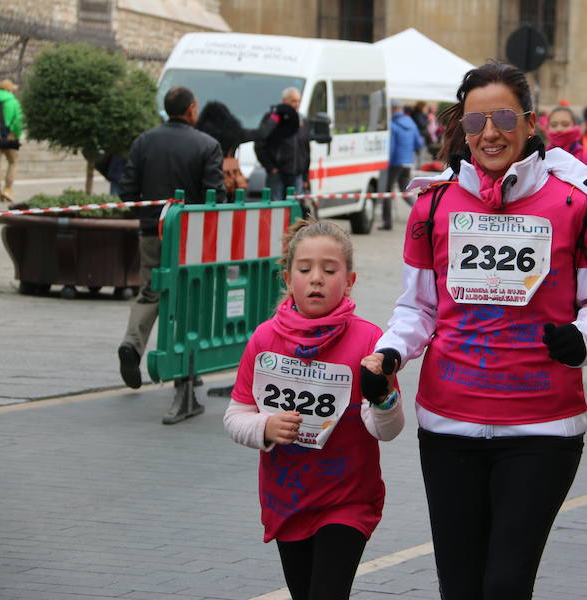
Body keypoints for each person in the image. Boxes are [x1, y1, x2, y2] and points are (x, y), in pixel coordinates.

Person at [362, 61, 587, 599]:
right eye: (476, 120)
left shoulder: (577, 203)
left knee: (506, 584)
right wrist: (391, 352)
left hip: (542, 427)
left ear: (530, 123)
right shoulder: (433, 204)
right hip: (448, 424)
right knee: (459, 587)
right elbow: (417, 309)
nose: (490, 133)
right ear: (461, 126)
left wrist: (582, 338)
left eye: (504, 117)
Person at [224, 219, 404, 600]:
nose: (317, 279)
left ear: (350, 279)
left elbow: (387, 430)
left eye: (329, 269)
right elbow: (235, 415)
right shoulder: (264, 339)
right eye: (305, 270)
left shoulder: (371, 340)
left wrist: (383, 398)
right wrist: (265, 427)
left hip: (348, 498)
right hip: (287, 498)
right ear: (288, 279)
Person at [116, 86, 226, 422]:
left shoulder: (144, 141)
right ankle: (184, 372)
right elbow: (215, 196)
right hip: (190, 237)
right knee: (188, 302)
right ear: (192, 109)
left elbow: (128, 189)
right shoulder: (207, 145)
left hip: (152, 230)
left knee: (149, 291)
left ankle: (132, 345)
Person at [255, 87, 310, 202]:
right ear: (284, 101)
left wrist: (305, 176)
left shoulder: (302, 120)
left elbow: (306, 149)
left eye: (298, 101)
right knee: (276, 208)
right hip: (278, 175)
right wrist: (270, 167)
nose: (297, 104)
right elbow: (259, 143)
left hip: (296, 175)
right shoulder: (272, 119)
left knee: (296, 209)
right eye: (293, 101)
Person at [195, 100, 256, 198]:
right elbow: (258, 134)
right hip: (227, 175)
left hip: (203, 177)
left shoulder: (199, 134)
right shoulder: (234, 132)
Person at [545, 105, 587, 203]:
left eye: (565, 124)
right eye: (554, 125)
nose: (559, 129)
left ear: (575, 126)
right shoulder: (539, 160)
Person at [381, 99, 424, 230]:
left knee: (387, 191)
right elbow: (419, 142)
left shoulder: (392, 124)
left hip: (395, 162)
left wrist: (387, 163)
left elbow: (391, 147)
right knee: (404, 190)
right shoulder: (411, 122)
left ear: (392, 109)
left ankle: (387, 222)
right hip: (408, 161)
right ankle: (422, 212)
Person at [0, 79, 24, 203]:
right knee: (13, 162)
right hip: (10, 136)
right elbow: (19, 120)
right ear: (9, 89)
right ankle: (7, 189)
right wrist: (16, 135)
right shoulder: (13, 102)